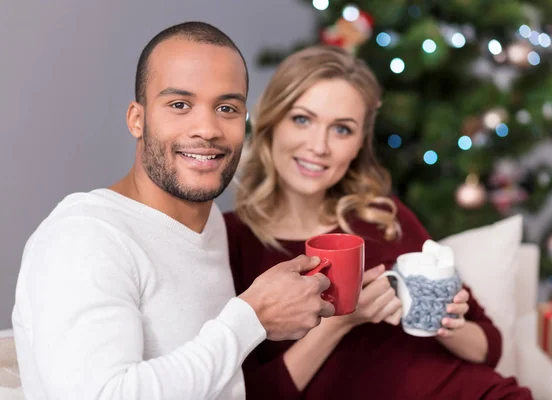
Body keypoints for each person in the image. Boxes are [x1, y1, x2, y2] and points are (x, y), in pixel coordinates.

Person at [11, 22, 335, 400]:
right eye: (180, 105)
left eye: (226, 108)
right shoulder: (84, 239)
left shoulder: (207, 221)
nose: (207, 129)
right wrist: (251, 318)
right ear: (137, 119)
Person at [225, 45, 533, 399]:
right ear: (272, 123)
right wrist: (342, 322)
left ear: (358, 145)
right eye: (302, 119)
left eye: (342, 129)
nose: (319, 146)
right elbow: (253, 393)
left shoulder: (385, 217)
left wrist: (438, 319)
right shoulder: (232, 240)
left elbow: (488, 347)